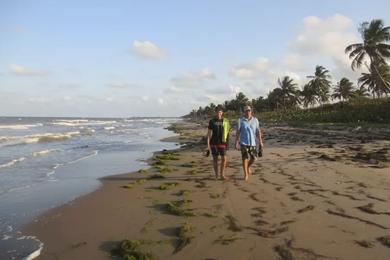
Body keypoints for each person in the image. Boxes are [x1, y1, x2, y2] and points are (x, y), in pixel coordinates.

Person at [235, 105, 263, 181]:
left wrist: (260, 141)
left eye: (249, 110)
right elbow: (238, 132)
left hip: (253, 143)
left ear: (251, 111)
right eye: (246, 111)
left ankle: (248, 167)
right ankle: (246, 174)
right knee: (244, 158)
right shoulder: (240, 120)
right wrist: (237, 142)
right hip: (243, 142)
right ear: (244, 112)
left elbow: (258, 131)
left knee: (254, 158)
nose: (248, 112)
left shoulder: (255, 120)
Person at [207, 105, 230, 180]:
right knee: (215, 159)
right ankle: (217, 175)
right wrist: (208, 145)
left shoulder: (226, 121)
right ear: (215, 112)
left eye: (220, 112)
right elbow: (209, 134)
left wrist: (227, 143)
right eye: (217, 112)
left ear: (222, 112)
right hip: (214, 142)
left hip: (223, 142)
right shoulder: (212, 121)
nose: (218, 113)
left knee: (224, 158)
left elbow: (228, 133)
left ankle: (222, 175)